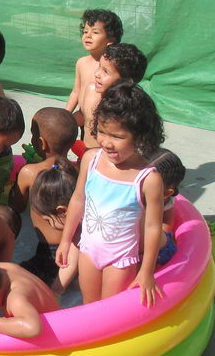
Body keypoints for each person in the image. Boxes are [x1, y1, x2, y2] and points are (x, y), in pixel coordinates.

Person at [57, 81, 166, 306]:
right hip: (88, 250)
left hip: (120, 259)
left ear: (140, 136)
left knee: (110, 309)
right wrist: (66, 240)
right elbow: (78, 200)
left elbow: (153, 227)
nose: (107, 142)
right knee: (89, 304)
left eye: (117, 136)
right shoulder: (90, 160)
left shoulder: (147, 178)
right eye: (102, 132)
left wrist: (147, 271)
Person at [24, 159, 79, 294]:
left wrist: (54, 292)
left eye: (48, 219)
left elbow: (71, 263)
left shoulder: (83, 228)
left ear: (62, 211)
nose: (47, 223)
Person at [9, 107, 78, 213]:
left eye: (33, 134)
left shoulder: (28, 172)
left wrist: (19, 177)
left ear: (42, 143)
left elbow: (16, 207)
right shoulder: (79, 171)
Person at [81, 43, 148, 149]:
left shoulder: (131, 106)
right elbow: (83, 115)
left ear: (126, 81)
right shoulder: (91, 90)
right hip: (86, 154)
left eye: (105, 72)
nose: (97, 74)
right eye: (99, 66)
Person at [66, 10, 122, 131]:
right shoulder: (81, 62)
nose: (88, 35)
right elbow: (76, 92)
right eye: (85, 31)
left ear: (110, 39)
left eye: (95, 32)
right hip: (82, 115)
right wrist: (65, 115)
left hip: (104, 121)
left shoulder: (113, 66)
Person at [149, 147, 186, 266]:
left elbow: (167, 222)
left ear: (166, 193)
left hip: (156, 246)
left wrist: (156, 237)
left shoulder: (165, 201)